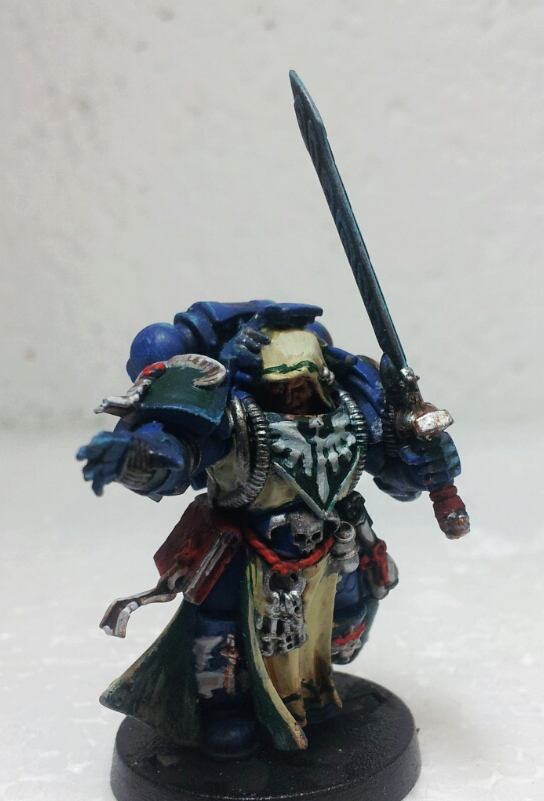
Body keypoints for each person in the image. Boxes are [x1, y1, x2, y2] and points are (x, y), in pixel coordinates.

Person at [77, 300, 461, 758]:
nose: (297, 395)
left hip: (334, 542)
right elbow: (184, 451)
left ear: (324, 376)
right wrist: (142, 457)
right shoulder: (238, 418)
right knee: (221, 633)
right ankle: (226, 711)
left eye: (306, 382)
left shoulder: (353, 414)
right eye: (283, 385)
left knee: (347, 623)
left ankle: (310, 688)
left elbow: (397, 478)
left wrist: (423, 455)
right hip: (250, 549)